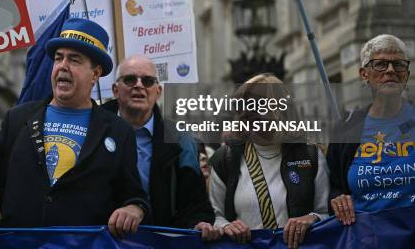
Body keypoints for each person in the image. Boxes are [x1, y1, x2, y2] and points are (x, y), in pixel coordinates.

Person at [0, 18, 150, 237]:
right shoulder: (18, 118)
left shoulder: (118, 131)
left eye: (74, 59)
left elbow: (133, 195)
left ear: (95, 73)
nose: (63, 65)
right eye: (58, 58)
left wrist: (134, 208)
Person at [102, 55, 221, 241]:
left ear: (158, 91)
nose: (139, 85)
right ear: (115, 90)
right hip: (106, 242)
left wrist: (199, 223)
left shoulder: (181, 140)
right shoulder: (94, 131)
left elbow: (195, 204)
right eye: (130, 79)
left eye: (148, 81)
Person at [209, 73, 329, 249]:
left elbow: (326, 213)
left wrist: (312, 218)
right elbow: (214, 216)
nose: (248, 112)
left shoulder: (310, 155)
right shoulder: (225, 158)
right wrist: (226, 225)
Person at [327, 34, 414, 225]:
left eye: (398, 64)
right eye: (380, 64)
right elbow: (333, 187)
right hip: (366, 238)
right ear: (364, 74)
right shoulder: (345, 128)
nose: (390, 70)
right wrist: (338, 199)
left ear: (406, 75)